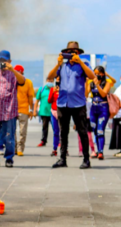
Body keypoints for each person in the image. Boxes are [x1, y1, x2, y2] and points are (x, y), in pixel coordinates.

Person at [48, 41, 95, 169]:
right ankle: (62, 159)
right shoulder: (62, 66)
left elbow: (92, 76)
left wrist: (80, 62)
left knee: (82, 131)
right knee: (63, 132)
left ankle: (86, 159)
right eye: (69, 52)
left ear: (79, 53)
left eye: (74, 52)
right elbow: (49, 77)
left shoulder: (83, 65)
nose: (71, 54)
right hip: (63, 103)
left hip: (78, 104)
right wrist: (57, 64)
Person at [85, 66, 113, 160]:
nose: (96, 75)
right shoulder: (91, 83)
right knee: (95, 131)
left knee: (100, 131)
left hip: (103, 108)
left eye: (98, 73)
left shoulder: (107, 83)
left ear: (102, 74)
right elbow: (86, 94)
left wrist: (97, 85)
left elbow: (103, 94)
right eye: (94, 73)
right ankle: (97, 150)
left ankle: (101, 152)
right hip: (93, 109)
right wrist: (86, 82)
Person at [14, 65, 34, 156]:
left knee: (23, 131)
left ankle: (20, 149)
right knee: (11, 131)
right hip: (12, 110)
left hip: (24, 110)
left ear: (22, 72)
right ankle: (13, 148)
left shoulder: (28, 82)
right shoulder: (11, 81)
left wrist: (31, 110)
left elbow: (30, 97)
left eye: (19, 72)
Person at [34, 78, 54, 147]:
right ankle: (43, 141)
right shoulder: (41, 89)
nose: (50, 82)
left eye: (51, 81)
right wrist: (34, 111)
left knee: (56, 127)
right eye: (49, 80)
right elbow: (37, 100)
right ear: (46, 81)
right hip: (44, 112)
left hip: (53, 112)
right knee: (45, 127)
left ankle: (58, 141)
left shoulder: (55, 89)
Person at [48, 77, 61, 157]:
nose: (58, 81)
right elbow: (49, 100)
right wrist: (53, 92)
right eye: (57, 80)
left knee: (63, 131)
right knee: (56, 131)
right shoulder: (52, 89)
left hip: (63, 112)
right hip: (54, 112)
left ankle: (64, 148)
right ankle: (54, 149)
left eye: (60, 79)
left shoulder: (65, 89)